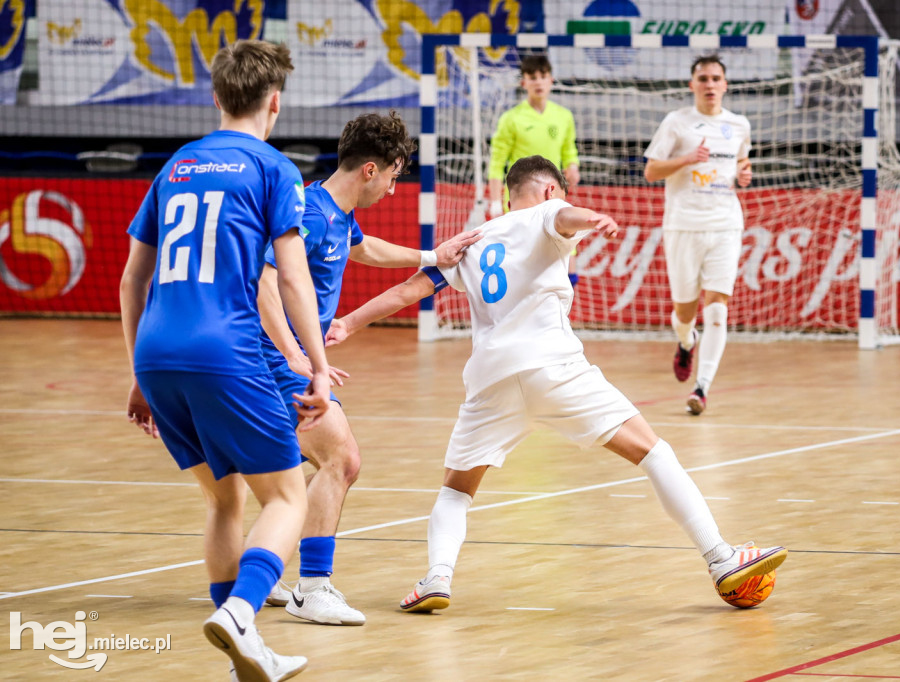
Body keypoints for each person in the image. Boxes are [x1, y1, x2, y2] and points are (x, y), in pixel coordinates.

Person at [325, 156, 786, 614]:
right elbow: (565, 217)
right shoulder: (548, 212)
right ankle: (721, 559)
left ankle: (436, 577)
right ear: (548, 190)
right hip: (553, 367)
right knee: (654, 453)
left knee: (455, 492)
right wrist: (595, 218)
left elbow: (409, 290)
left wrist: (348, 322)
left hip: (491, 381)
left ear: (508, 194)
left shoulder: (473, 238)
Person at [120, 39, 330, 681]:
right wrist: (316, 366)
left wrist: (136, 371)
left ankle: (246, 652)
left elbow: (132, 278)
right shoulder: (273, 168)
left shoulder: (176, 165)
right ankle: (241, 612)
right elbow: (292, 279)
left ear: (216, 98)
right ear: (275, 103)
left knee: (223, 502)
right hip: (225, 350)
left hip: (157, 350)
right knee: (288, 496)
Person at [255, 111, 482, 626]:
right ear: (372, 170)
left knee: (287, 472)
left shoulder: (335, 211)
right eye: (396, 177)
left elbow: (365, 247)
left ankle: (256, 573)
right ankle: (311, 588)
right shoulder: (310, 213)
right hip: (276, 361)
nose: (396, 191)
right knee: (343, 461)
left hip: (284, 360)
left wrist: (432, 253)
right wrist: (296, 356)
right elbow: (265, 283)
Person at [643, 55, 753, 416]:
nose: (709, 84)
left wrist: (743, 173)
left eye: (715, 78)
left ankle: (701, 388)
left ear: (725, 84)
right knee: (685, 312)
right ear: (692, 85)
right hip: (683, 225)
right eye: (703, 78)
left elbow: (740, 163)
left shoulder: (738, 125)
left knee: (718, 306)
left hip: (725, 224)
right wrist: (687, 159)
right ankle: (686, 342)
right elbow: (651, 170)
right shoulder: (677, 123)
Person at [488, 53, 581, 286]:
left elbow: (569, 149)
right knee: (521, 263)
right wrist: (494, 202)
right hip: (522, 200)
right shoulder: (511, 119)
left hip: (554, 196)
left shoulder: (563, 116)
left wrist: (573, 165)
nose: (538, 82)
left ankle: (560, 318)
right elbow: (497, 163)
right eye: (532, 77)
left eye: (543, 76)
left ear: (551, 80)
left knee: (567, 259)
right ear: (524, 83)